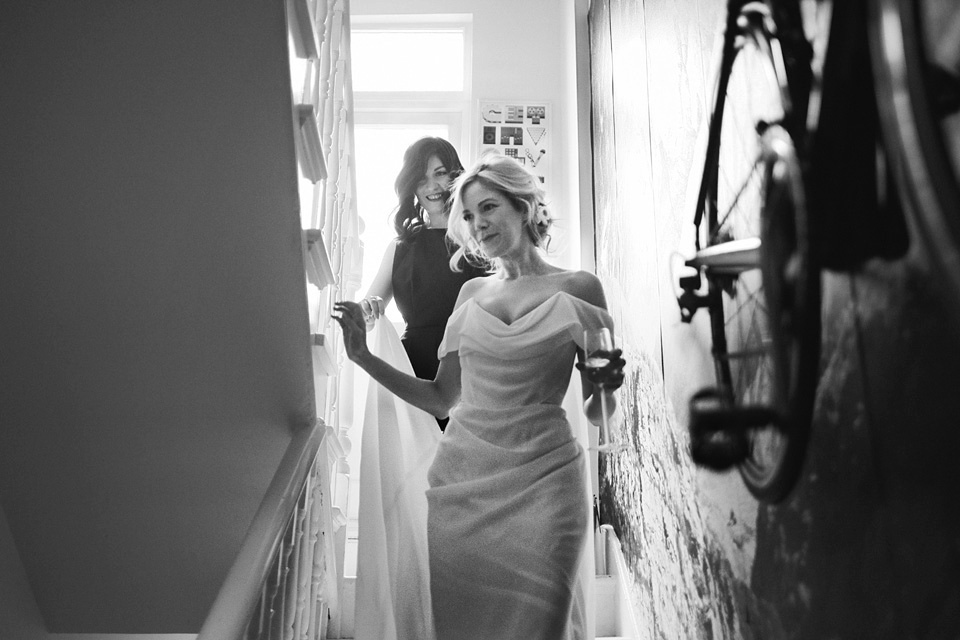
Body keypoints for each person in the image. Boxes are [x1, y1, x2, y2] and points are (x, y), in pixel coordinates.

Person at [334, 154, 626, 640]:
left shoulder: (581, 287)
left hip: (546, 484)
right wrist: (362, 357)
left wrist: (607, 388)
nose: (477, 224)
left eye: (488, 208)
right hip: (461, 487)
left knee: (542, 625)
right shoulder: (471, 294)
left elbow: (600, 412)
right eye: (467, 216)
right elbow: (440, 400)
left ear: (524, 206)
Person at [358, 137, 487, 430]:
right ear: (412, 187)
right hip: (411, 372)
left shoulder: (481, 239)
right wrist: (367, 309)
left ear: (456, 174)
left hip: (472, 373)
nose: (432, 186)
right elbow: (364, 315)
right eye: (421, 178)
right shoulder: (400, 248)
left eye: (440, 173)